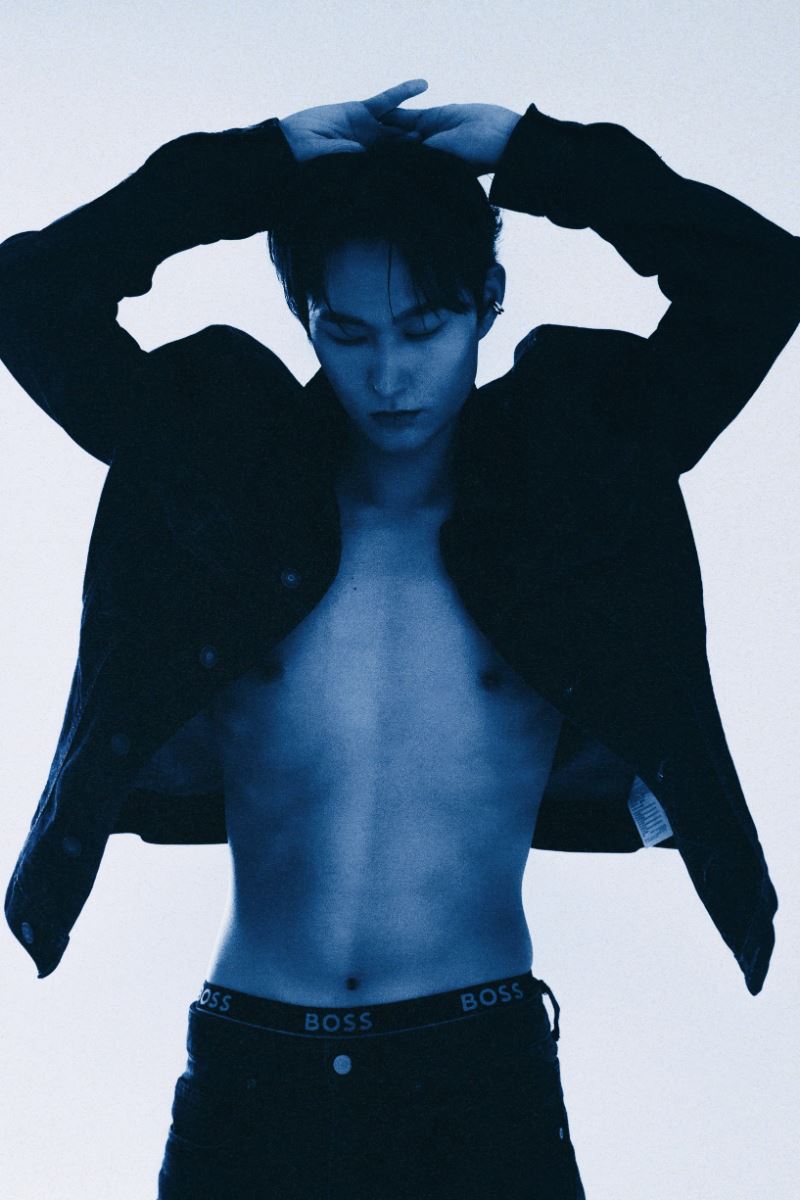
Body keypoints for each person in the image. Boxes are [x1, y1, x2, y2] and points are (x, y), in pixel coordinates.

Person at [1, 77, 797, 1198]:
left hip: (478, 1076)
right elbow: (29, 294)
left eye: (425, 328)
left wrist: (538, 156)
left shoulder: (578, 477)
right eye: (348, 331)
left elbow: (758, 278)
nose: (387, 376)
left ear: (488, 300)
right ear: (305, 319)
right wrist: (257, 162)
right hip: (251, 1073)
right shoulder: (212, 473)